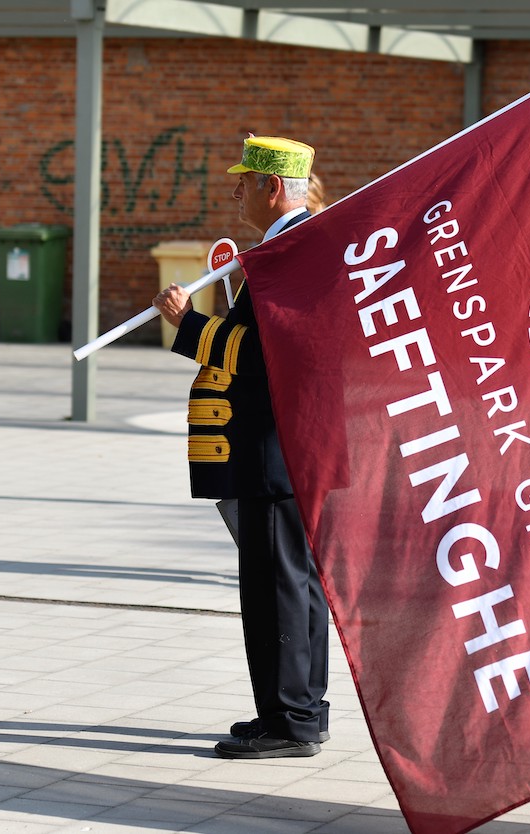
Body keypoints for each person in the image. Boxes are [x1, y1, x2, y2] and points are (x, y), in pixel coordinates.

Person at [153, 135, 329, 759]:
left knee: (275, 584)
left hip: (270, 448)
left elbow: (262, 359)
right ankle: (302, 709)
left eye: (244, 183)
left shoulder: (288, 251)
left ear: (272, 187)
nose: (236, 194)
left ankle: (290, 724)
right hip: (287, 447)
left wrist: (188, 324)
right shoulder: (293, 246)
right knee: (296, 581)